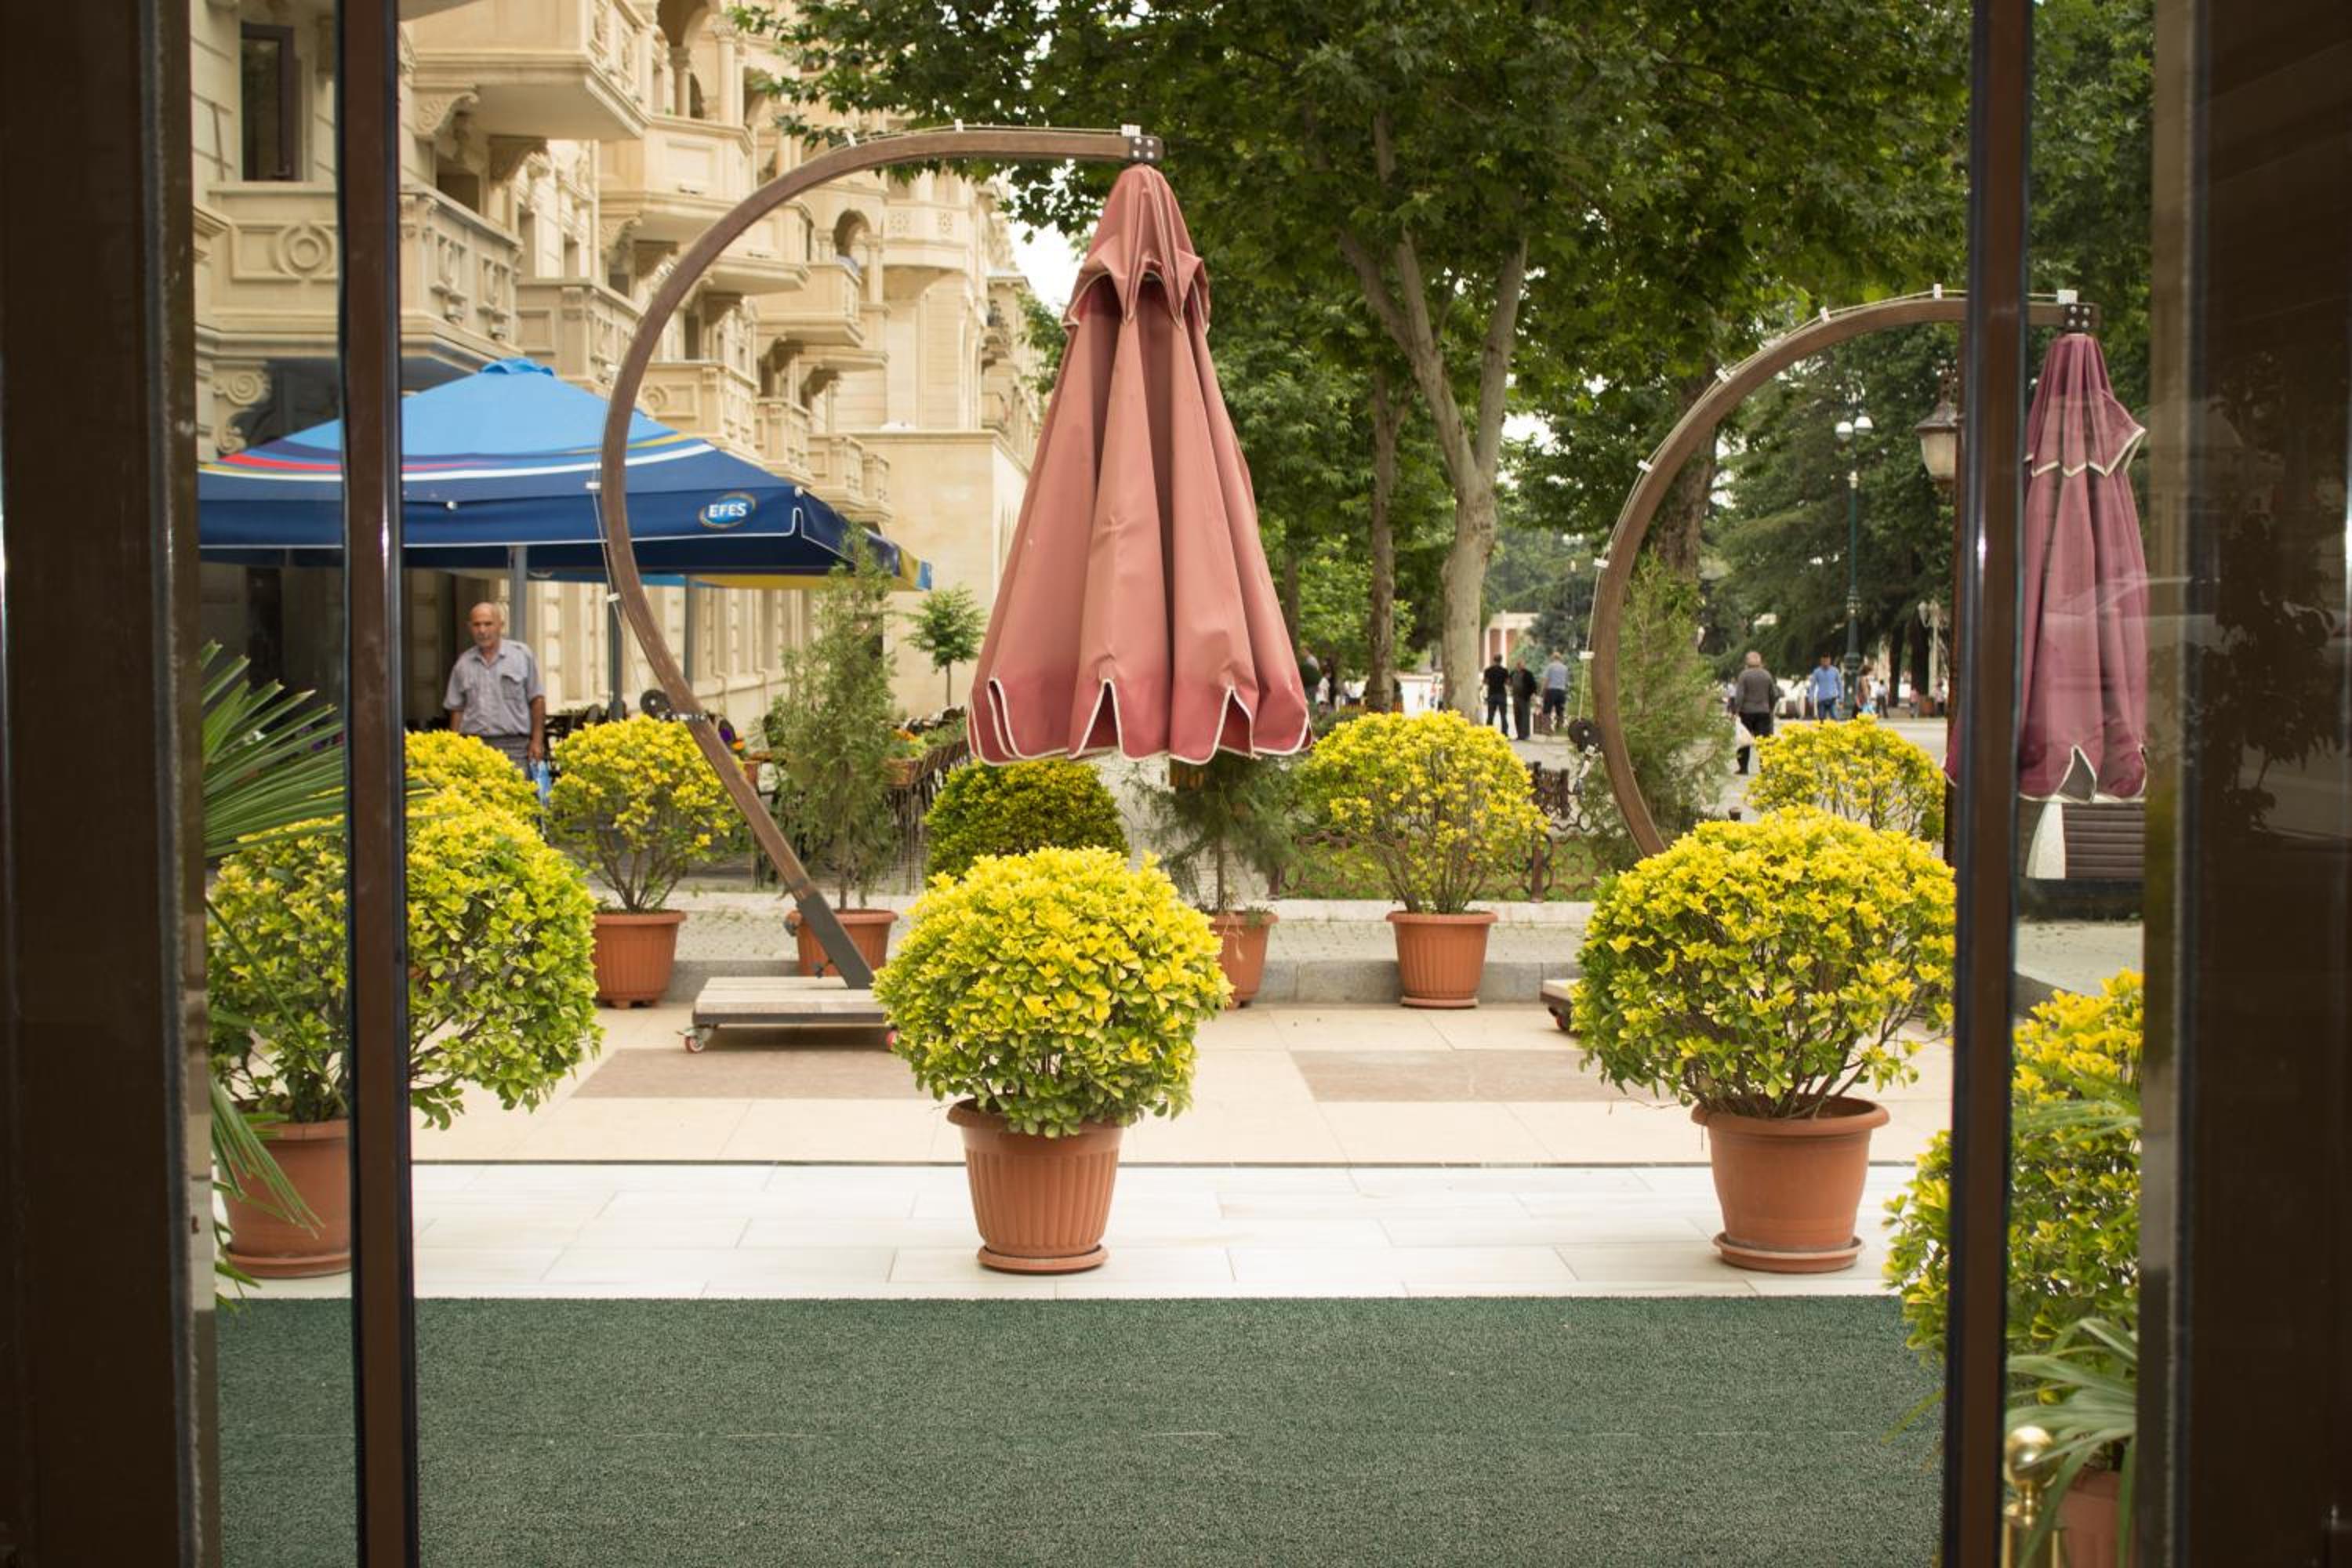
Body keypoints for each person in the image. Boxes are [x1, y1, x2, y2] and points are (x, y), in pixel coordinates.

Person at [444, 601, 545, 771]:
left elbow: (537, 700)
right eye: (477, 625)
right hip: (474, 748)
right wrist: (454, 747)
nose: (482, 630)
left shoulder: (521, 656)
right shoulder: (463, 663)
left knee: (515, 788)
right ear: (470, 627)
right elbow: (457, 709)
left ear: (500, 625)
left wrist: (537, 741)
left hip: (514, 748)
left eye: (488, 624)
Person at [1733, 650, 1776, 774]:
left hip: (1746, 712)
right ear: (1760, 661)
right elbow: (1772, 694)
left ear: (1747, 662)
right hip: (1763, 712)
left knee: (1744, 740)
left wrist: (1737, 710)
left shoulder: (1744, 675)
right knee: (1764, 741)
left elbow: (1740, 695)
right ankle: (1765, 767)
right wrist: (1771, 708)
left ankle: (1743, 768)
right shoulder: (1767, 675)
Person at [1807, 654, 1844, 720]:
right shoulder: (1817, 672)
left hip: (1832, 699)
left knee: (1834, 718)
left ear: (1830, 661)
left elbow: (1840, 685)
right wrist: (1811, 699)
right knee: (1821, 719)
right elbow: (1812, 686)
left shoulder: (1835, 671)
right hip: (1821, 699)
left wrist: (1841, 699)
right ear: (1821, 661)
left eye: (1827, 661)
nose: (1825, 663)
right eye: (1824, 661)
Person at [1541, 650, 1570, 734]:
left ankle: (1547, 729)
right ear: (1560, 658)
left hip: (1551, 690)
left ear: (1553, 658)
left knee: (1547, 710)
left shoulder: (1550, 667)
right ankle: (1560, 728)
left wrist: (1542, 691)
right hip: (1561, 691)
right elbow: (1566, 681)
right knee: (1560, 710)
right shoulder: (1565, 668)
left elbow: (1546, 680)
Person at [1509, 659, 1538, 739]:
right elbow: (1509, 681)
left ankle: (1525, 735)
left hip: (1524, 697)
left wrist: (1533, 694)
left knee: (1525, 716)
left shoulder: (1528, 674)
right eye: (1518, 664)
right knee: (1517, 716)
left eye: (1520, 664)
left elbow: (1533, 685)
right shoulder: (1513, 673)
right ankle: (1519, 734)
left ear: (1523, 665)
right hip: (1515, 697)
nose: (1519, 666)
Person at [1482, 655, 1511, 733]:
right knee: (1503, 715)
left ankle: (1489, 732)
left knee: (1490, 715)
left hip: (1492, 694)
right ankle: (1504, 733)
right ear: (1501, 661)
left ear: (1494, 660)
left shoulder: (1488, 670)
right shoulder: (1504, 671)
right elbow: (1507, 682)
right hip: (1501, 693)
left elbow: (1485, 682)